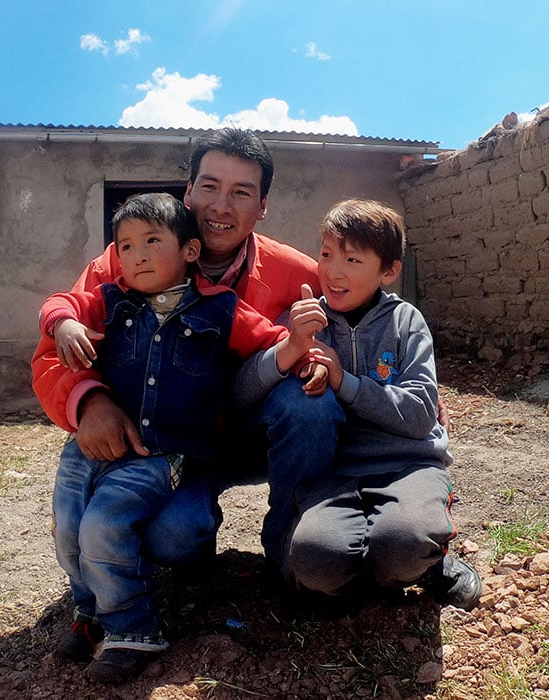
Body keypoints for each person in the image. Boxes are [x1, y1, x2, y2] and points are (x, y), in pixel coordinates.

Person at [31, 192, 327, 681]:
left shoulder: (221, 311)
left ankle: (133, 628)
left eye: (152, 241)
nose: (137, 256)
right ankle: (89, 612)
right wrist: (61, 322)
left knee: (102, 525)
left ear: (190, 251)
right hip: (90, 448)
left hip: (157, 454)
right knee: (68, 527)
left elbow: (272, 340)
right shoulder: (108, 301)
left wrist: (307, 352)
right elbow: (61, 301)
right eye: (125, 246)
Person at [38, 127, 345, 569]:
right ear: (188, 191)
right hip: (161, 441)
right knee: (174, 538)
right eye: (209, 186)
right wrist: (88, 403)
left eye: (242, 192)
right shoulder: (125, 263)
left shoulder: (298, 274)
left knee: (310, 404)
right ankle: (177, 545)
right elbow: (53, 349)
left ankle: (293, 549)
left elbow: (357, 312)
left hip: (252, 433)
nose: (221, 206)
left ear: (262, 208)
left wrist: (409, 380)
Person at [236, 198, 482, 610]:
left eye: (352, 259)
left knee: (405, 543)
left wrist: (343, 381)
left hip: (408, 466)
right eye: (327, 254)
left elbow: (421, 416)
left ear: (388, 271)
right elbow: (241, 394)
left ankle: (426, 565)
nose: (333, 272)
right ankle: (365, 575)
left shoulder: (406, 323)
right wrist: (291, 347)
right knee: (316, 562)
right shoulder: (305, 320)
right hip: (336, 474)